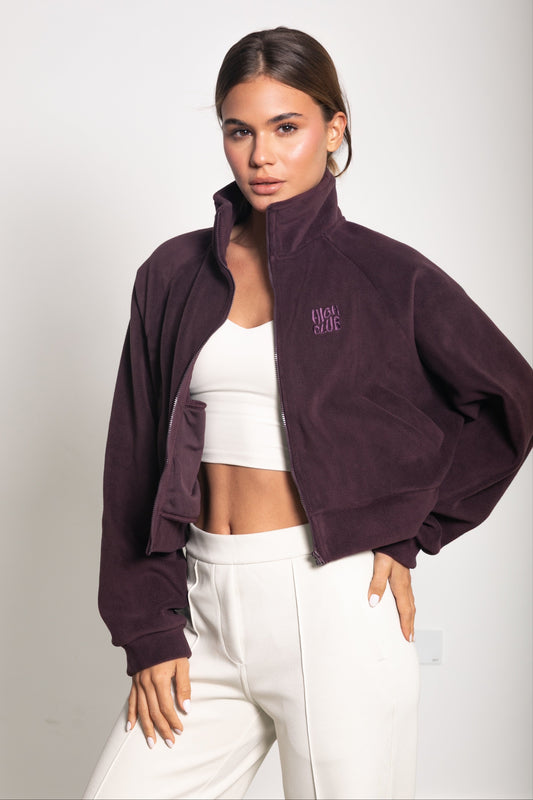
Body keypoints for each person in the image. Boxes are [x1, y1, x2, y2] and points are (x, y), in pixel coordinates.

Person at [83, 26, 533, 800]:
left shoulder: (384, 274)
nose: (261, 156)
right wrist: (147, 628)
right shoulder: (172, 274)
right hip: (200, 612)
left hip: (333, 605)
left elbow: (508, 397)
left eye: (285, 127)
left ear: (332, 129)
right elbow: (133, 462)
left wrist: (413, 529)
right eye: (239, 131)